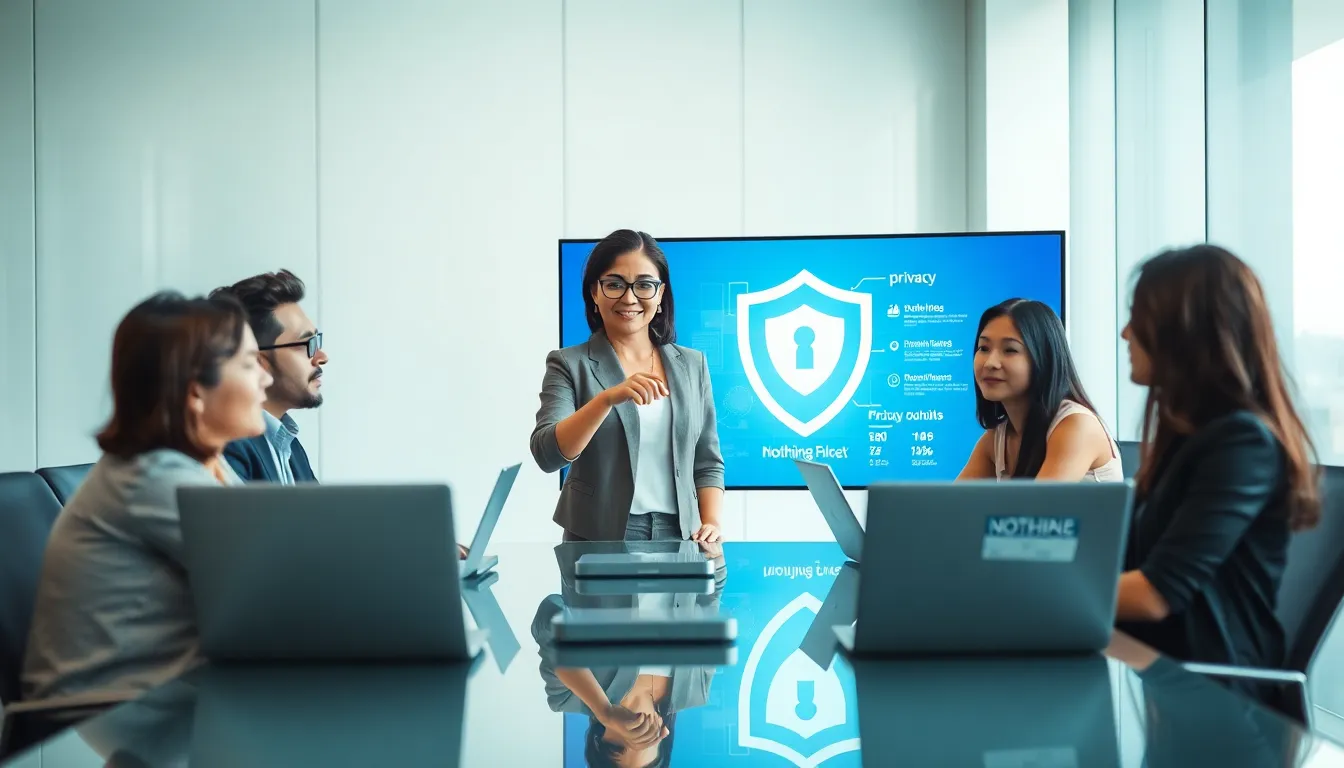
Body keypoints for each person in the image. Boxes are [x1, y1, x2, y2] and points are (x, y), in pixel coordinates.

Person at [22, 292, 272, 702]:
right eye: (249, 364)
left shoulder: (202, 465)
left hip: (171, 709)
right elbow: (270, 594)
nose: (266, 378)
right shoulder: (156, 479)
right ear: (195, 391)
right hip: (125, 727)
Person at [1115, 245, 1320, 685]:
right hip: (1161, 679)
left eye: (1137, 318)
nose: (1125, 333)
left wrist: (1016, 591)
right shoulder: (1185, 440)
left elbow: (1155, 594)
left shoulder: (1242, 443)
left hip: (1220, 701)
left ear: (1183, 332)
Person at [531, 229, 725, 543]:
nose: (629, 298)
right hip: (596, 536)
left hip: (682, 536)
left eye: (645, 285)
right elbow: (547, 454)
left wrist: (711, 521)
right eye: (614, 284)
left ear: (661, 295)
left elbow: (707, 461)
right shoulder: (569, 363)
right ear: (594, 292)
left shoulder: (692, 364)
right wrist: (606, 400)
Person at [957, 298, 1121, 481]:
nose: (990, 363)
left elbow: (1037, 509)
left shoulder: (1076, 425)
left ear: (1044, 358)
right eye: (984, 348)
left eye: (1010, 350)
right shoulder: (995, 440)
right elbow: (947, 507)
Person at [209, 270, 325, 484]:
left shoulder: (291, 448)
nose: (321, 357)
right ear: (257, 360)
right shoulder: (228, 446)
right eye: (307, 344)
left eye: (317, 341)